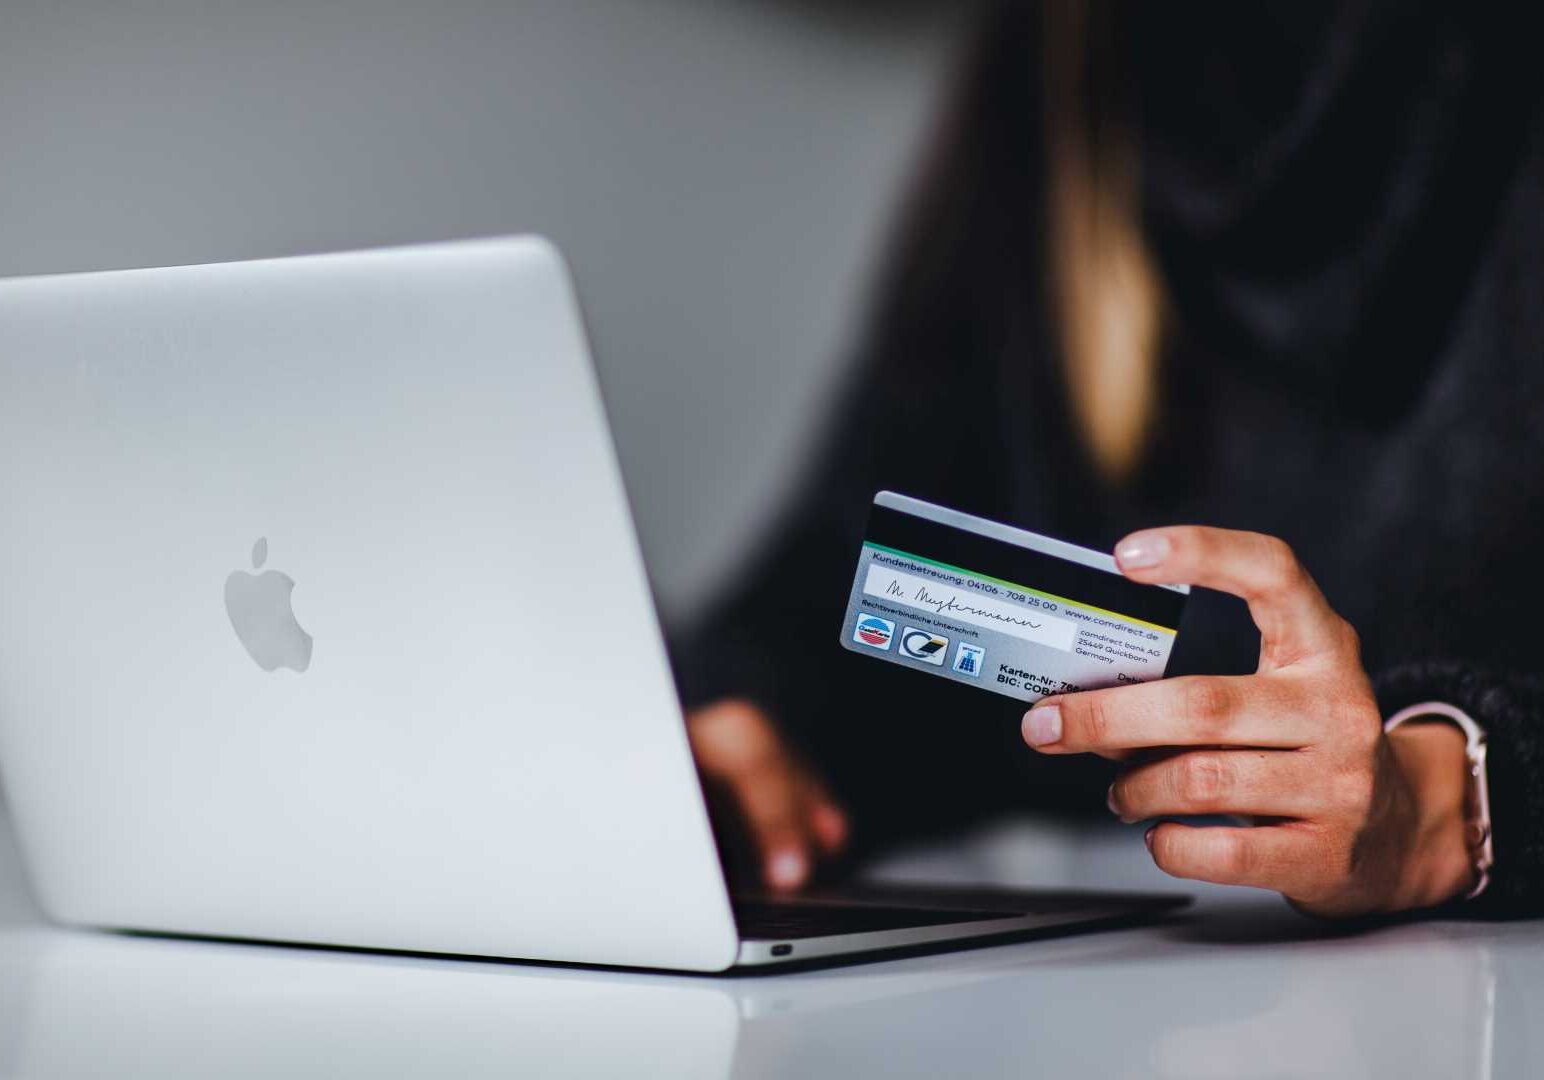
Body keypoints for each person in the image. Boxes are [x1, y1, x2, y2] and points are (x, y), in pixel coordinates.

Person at [672, 1, 1544, 919]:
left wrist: (1455, 799)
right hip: (1078, 988)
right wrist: (746, 742)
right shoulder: (1063, 54)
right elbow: (844, 589)